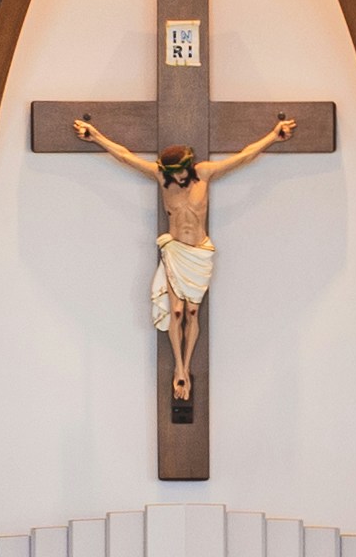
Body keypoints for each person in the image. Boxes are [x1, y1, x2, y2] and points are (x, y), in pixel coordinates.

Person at [66, 108, 294, 407]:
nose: (175, 177)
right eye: (170, 173)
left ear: (187, 167)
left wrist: (273, 137)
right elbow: (125, 157)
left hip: (198, 253)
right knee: (176, 311)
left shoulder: (205, 174)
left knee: (192, 313)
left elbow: (244, 157)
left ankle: (186, 363)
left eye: (178, 173)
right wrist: (96, 136)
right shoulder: (163, 178)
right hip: (175, 251)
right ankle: (180, 369)